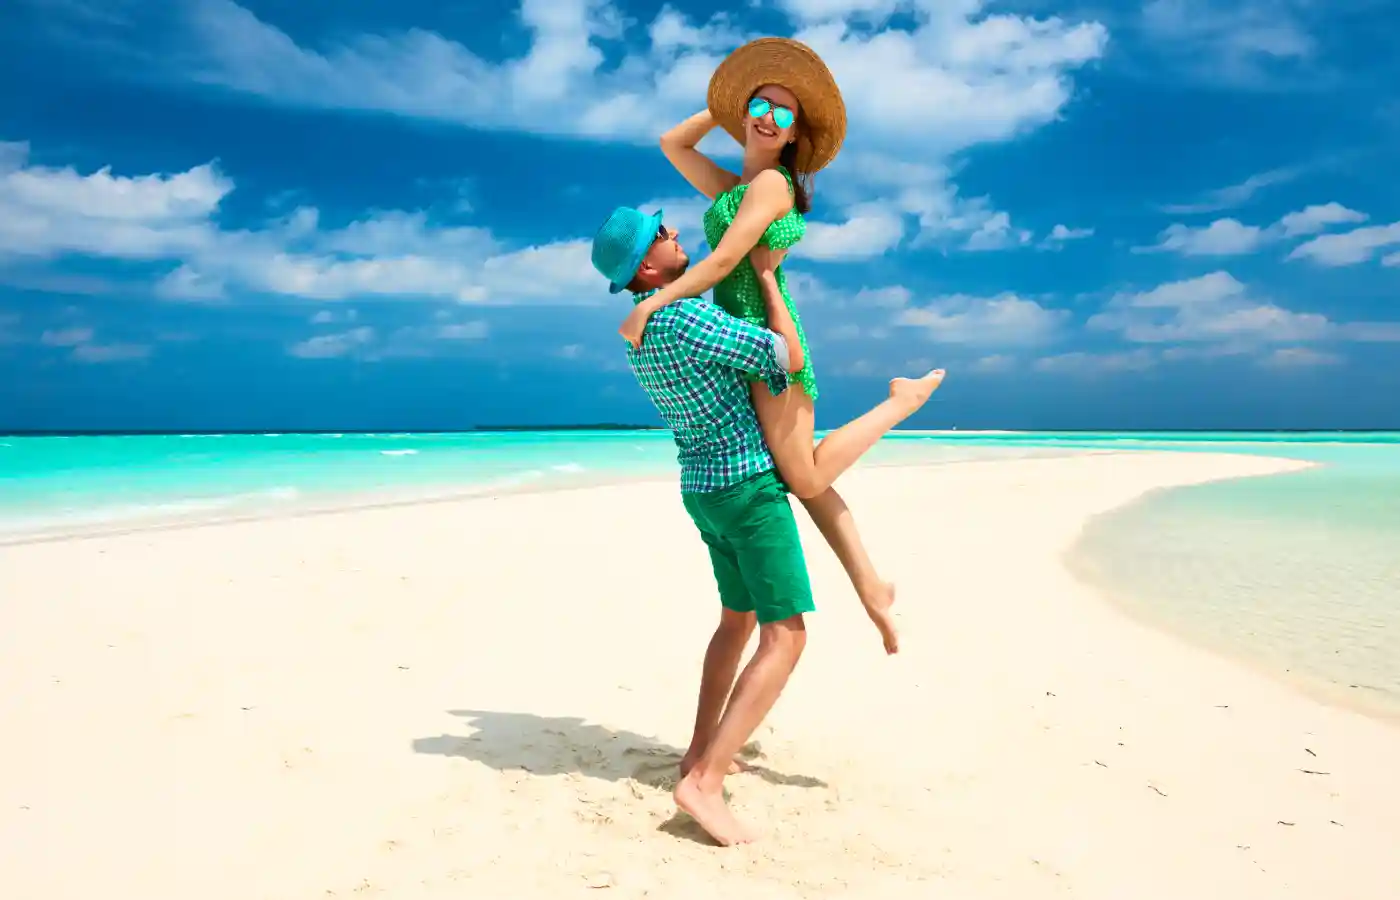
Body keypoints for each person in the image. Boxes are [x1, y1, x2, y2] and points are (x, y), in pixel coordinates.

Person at [591, 203, 907, 847]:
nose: (676, 232)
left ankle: (698, 749)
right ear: (649, 265)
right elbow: (785, 356)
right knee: (786, 636)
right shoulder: (682, 318)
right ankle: (703, 783)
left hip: (702, 490)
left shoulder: (642, 330)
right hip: (746, 490)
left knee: (735, 621)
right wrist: (766, 279)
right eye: (663, 233)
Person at [618, 37, 944, 655]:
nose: (770, 118)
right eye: (762, 106)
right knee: (798, 478)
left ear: (796, 134)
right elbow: (672, 144)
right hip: (740, 341)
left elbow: (722, 261)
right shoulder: (735, 188)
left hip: (771, 338)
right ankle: (873, 586)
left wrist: (654, 303)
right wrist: (729, 103)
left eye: (785, 113)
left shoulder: (771, 186)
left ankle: (902, 402)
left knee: (803, 472)